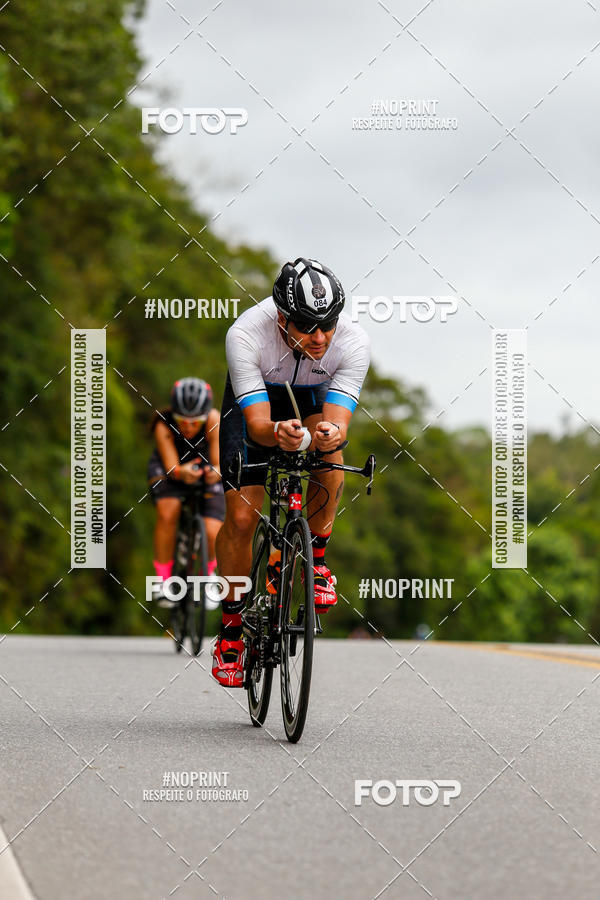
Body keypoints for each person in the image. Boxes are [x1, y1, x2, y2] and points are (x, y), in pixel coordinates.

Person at [212, 257, 370, 686]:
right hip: (257, 405)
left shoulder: (353, 342)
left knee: (331, 451)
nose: (319, 338)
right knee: (242, 516)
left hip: (315, 396)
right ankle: (230, 630)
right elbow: (259, 426)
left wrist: (327, 434)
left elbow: (338, 423)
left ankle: (315, 559)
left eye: (327, 325)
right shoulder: (246, 334)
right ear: (282, 317)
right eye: (305, 326)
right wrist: (276, 432)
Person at [147, 377, 225, 606]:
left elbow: (219, 463)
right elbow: (172, 467)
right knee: (167, 512)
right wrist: (182, 473)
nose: (189, 427)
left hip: (203, 467)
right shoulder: (163, 423)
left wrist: (215, 472)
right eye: (183, 421)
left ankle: (210, 574)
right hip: (169, 468)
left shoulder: (214, 419)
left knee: (213, 529)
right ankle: (162, 580)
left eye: (195, 422)